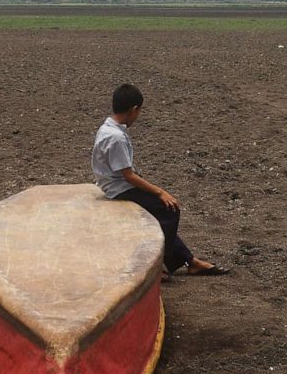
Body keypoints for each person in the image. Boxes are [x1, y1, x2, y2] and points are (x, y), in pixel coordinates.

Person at [91, 83, 230, 281]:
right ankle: (156, 264)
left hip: (112, 184)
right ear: (134, 109)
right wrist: (159, 191)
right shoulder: (116, 138)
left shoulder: (107, 128)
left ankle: (190, 261)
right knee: (169, 209)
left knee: (162, 211)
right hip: (118, 189)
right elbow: (128, 176)